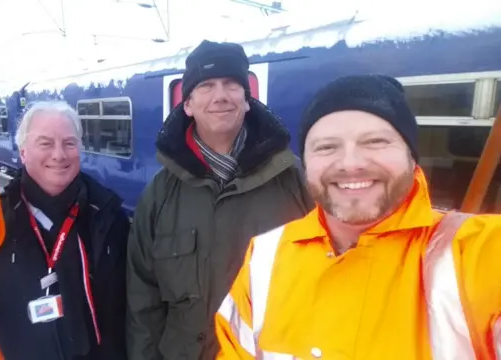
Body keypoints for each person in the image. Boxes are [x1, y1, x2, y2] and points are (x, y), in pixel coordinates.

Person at [215, 74, 501, 359]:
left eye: (375, 142)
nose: (350, 164)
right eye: (326, 147)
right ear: (306, 163)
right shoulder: (264, 256)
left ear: (412, 157)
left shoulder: (481, 251)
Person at [126, 40, 314, 360]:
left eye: (231, 84)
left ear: (247, 99)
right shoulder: (159, 195)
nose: (220, 95)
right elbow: (143, 301)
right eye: (206, 86)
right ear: (187, 103)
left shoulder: (297, 182)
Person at [0, 101, 130, 360]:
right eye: (45, 143)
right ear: (22, 153)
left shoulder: (109, 217)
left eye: (69, 143)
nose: (59, 154)